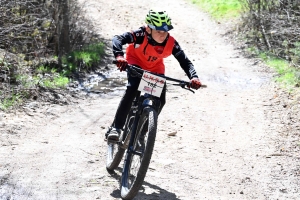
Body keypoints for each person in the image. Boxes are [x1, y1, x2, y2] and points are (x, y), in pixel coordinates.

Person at [107, 9, 202, 141]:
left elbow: (185, 62)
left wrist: (194, 77)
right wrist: (119, 56)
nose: (162, 35)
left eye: (165, 31)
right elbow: (118, 39)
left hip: (154, 70)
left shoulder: (171, 43)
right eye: (158, 31)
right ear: (149, 29)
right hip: (136, 64)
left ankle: (141, 134)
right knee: (133, 87)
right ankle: (116, 128)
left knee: (160, 100)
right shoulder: (140, 34)